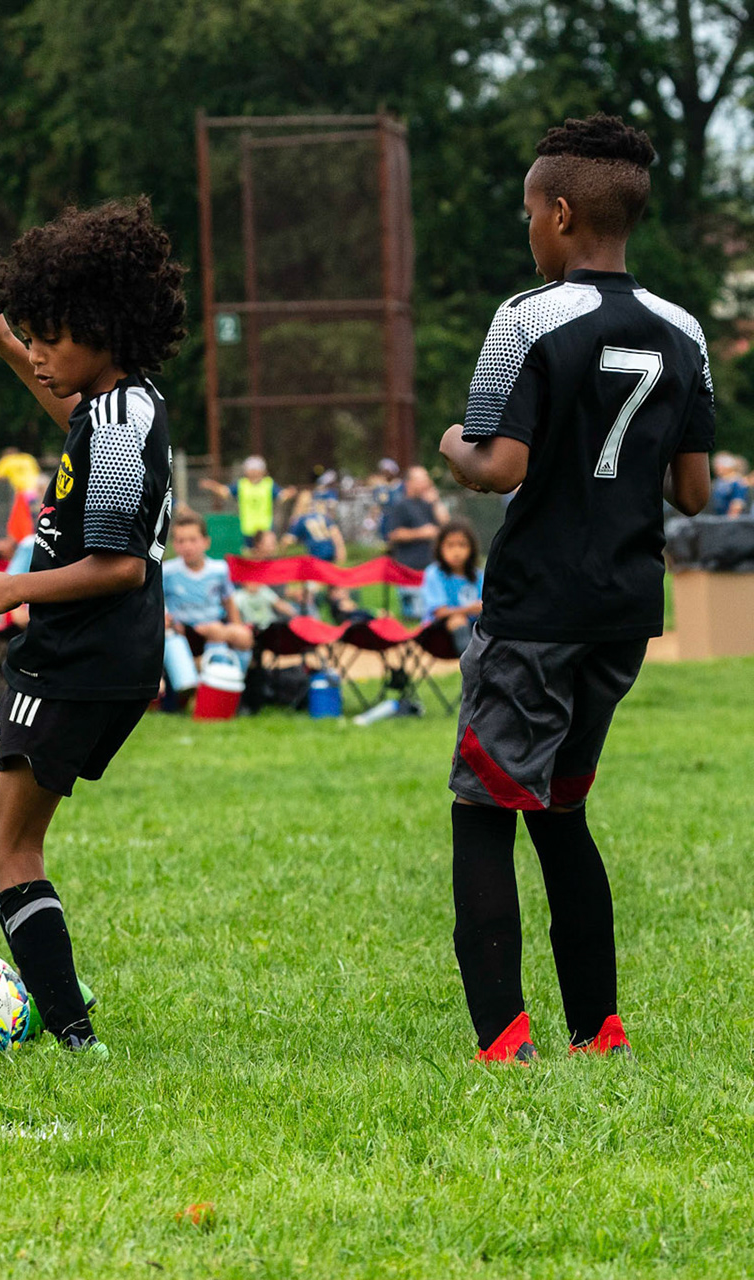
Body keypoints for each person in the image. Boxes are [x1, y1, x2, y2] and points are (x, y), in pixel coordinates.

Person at [437, 114, 713, 1063]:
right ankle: (599, 1028)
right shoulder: (684, 329)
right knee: (561, 808)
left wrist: (450, 447)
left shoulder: (526, 316)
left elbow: (499, 466)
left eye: (527, 214)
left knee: (484, 807)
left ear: (558, 213)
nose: (527, 232)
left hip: (538, 605)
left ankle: (501, 1041)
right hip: (624, 611)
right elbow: (694, 489)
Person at [0, 197, 182, 1053]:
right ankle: (44, 974)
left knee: (13, 846)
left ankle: (73, 1032)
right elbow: (70, 425)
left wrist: (14, 585)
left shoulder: (119, 423)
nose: (40, 352)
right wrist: (5, 346)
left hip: (87, 654)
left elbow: (121, 564)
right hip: (73, 650)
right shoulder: (115, 406)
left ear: (103, 330)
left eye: (49, 338)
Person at [162, 512, 255, 652]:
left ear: (206, 542)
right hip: (180, 634)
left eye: (193, 540)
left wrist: (235, 630)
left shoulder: (219, 569)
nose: (187, 546)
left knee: (244, 637)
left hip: (215, 631)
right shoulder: (166, 571)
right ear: (174, 544)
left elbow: (229, 603)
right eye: (181, 541)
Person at [380, 465, 448, 617]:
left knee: (433, 614)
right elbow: (393, 534)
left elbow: (446, 524)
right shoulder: (400, 505)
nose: (426, 482)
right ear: (409, 483)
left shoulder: (428, 504)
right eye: (421, 479)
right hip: (409, 569)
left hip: (431, 567)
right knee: (414, 616)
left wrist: (436, 501)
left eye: (426, 478)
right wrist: (421, 533)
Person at [420, 520, 485, 653]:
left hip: (474, 627)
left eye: (462, 545)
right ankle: (468, 666)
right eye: (450, 545)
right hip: (438, 632)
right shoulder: (434, 574)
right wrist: (470, 609)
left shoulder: (478, 576)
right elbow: (440, 612)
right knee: (457, 619)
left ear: (471, 549)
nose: (456, 551)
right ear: (440, 548)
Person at [199, 455, 290, 542]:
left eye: (256, 469)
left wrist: (290, 493)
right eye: (251, 469)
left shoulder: (269, 484)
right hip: (246, 528)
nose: (253, 472)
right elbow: (225, 492)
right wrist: (211, 485)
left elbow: (282, 495)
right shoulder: (241, 484)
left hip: (265, 527)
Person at [0, 448, 44, 543]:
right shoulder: (28, 458)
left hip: (23, 495)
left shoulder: (8, 460)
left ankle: (25, 547)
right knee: (34, 523)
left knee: (20, 527)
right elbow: (38, 475)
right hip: (35, 495)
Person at [284, 488, 345, 563]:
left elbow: (288, 540)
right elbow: (335, 533)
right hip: (330, 551)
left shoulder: (300, 520)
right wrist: (340, 550)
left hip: (316, 554)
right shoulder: (321, 515)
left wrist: (282, 552)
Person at [711, 451, 748, 516]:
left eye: (720, 464)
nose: (717, 467)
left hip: (730, 522)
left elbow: (737, 506)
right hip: (717, 520)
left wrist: (729, 523)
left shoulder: (738, 483)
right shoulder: (718, 482)